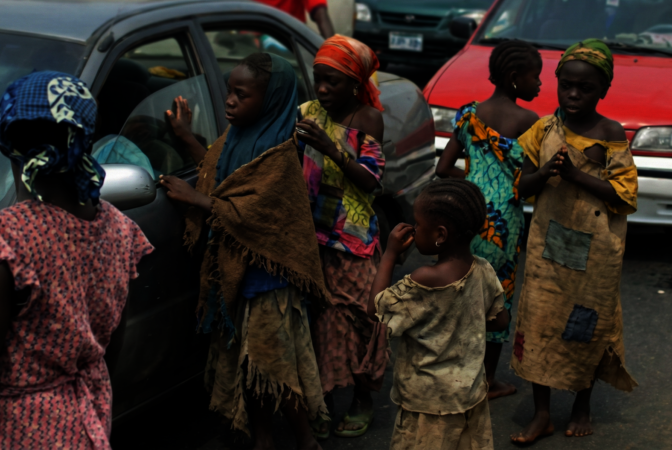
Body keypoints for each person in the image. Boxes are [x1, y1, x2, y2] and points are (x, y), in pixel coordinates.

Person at [0, 72, 153, 450]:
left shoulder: (8, 238)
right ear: (86, 138)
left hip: (16, 432)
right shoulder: (118, 228)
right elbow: (111, 344)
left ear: (6, 141)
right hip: (87, 421)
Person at [159, 53, 329, 450]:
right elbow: (219, 174)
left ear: (270, 101)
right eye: (229, 91)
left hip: (269, 282)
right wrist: (186, 137)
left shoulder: (281, 154)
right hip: (236, 272)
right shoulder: (234, 137)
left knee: (273, 366)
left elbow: (253, 212)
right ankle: (262, 438)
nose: (229, 101)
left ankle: (306, 440)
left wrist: (197, 200)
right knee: (248, 364)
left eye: (241, 94)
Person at [511, 39, 639, 444]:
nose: (573, 94)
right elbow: (521, 187)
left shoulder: (610, 133)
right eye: (566, 85)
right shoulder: (543, 130)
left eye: (585, 88)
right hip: (547, 247)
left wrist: (576, 176)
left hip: (594, 252)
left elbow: (625, 196)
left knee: (585, 325)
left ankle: (582, 403)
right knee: (539, 322)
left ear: (603, 90)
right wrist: (546, 171)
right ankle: (542, 413)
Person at [435, 40, 542, 401]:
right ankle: (487, 379)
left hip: (466, 211)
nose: (539, 84)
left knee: (459, 287)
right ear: (514, 77)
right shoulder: (529, 122)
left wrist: (476, 184)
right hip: (503, 223)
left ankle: (450, 369)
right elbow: (528, 183)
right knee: (496, 297)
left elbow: (443, 168)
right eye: (535, 77)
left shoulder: (469, 115)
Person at [369, 179, 510, 450]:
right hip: (469, 396)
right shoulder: (483, 269)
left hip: (426, 405)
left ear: (441, 235)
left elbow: (375, 310)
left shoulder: (424, 279)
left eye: (418, 224)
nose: (414, 229)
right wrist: (465, 323)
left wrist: (389, 254)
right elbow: (501, 320)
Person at [294, 35, 387, 439]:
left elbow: (370, 181)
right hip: (312, 237)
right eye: (318, 80)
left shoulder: (368, 119)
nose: (322, 89)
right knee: (320, 324)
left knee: (363, 320)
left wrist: (331, 149)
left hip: (352, 240)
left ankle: (363, 398)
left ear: (354, 84)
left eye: (332, 81)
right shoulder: (306, 113)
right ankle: (324, 400)